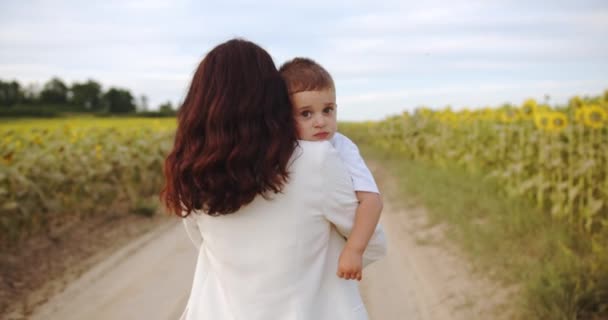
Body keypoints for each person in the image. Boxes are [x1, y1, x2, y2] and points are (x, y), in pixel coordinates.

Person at [160, 38, 387, 320]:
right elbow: (373, 242)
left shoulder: (193, 172)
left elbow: (203, 243)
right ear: (272, 99)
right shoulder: (316, 159)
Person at [279, 57, 383, 282]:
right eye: (306, 114)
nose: (320, 121)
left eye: (328, 110)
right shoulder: (280, 149)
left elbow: (371, 201)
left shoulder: (340, 146)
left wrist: (354, 249)